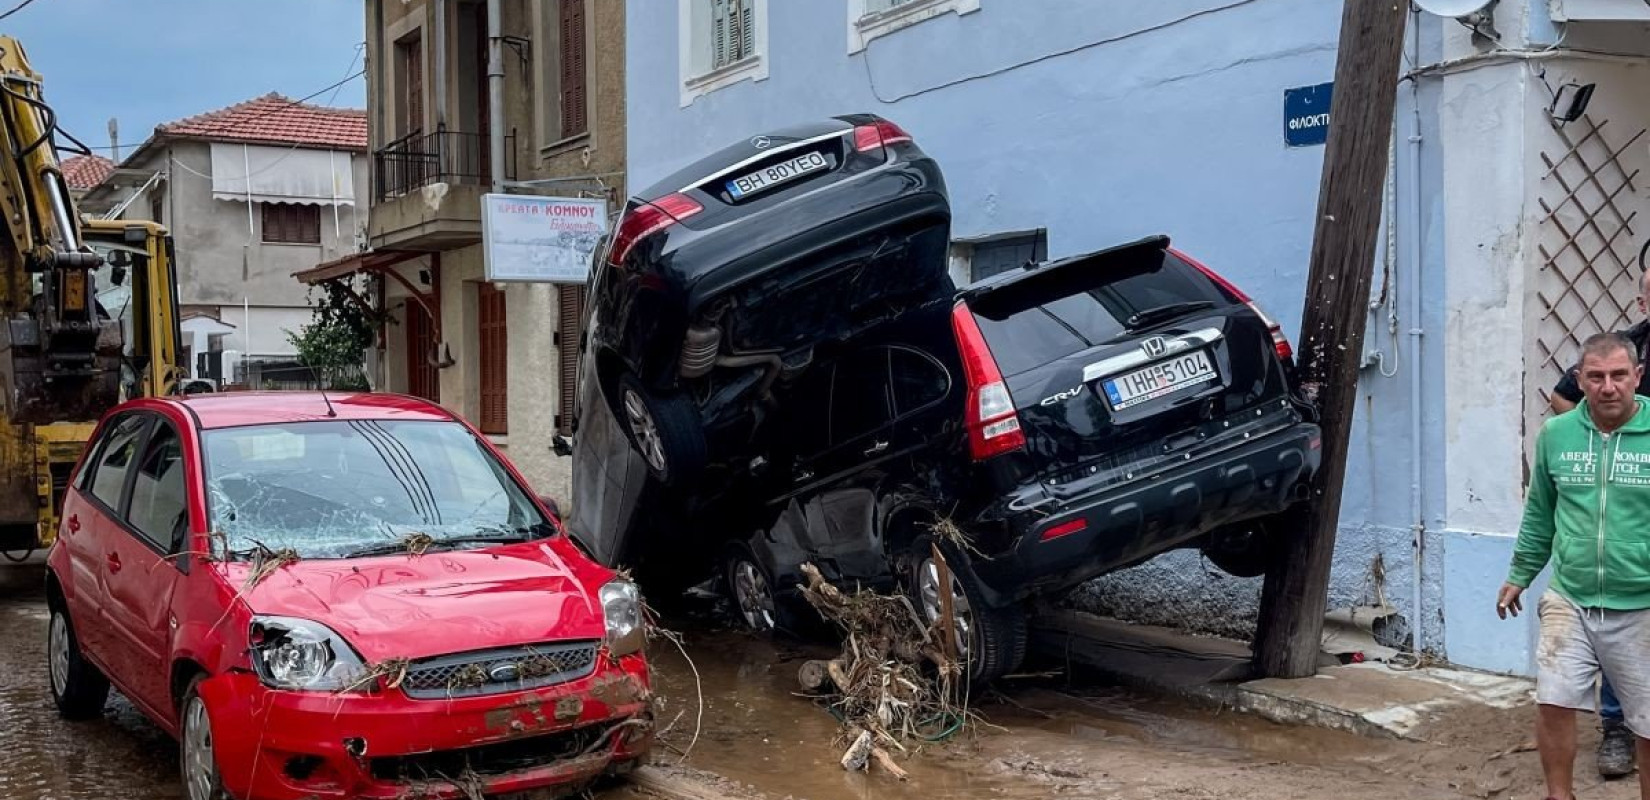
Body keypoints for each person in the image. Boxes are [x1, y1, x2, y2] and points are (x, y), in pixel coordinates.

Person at [1504, 331, 1650, 800]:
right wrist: (1520, 574)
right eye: (1596, 377)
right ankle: (1558, 796)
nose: (1608, 387)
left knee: (1647, 724)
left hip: (1642, 605)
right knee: (1553, 701)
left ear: (1637, 377)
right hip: (1570, 596)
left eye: (1619, 376)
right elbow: (1540, 511)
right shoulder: (1556, 436)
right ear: (1580, 381)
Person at [1549, 270, 1650, 778]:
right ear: (1642, 297)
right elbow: (1561, 396)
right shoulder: (1625, 346)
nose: (1608, 384)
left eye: (1617, 378)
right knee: (1612, 618)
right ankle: (1615, 731)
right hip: (1619, 506)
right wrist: (1594, 439)